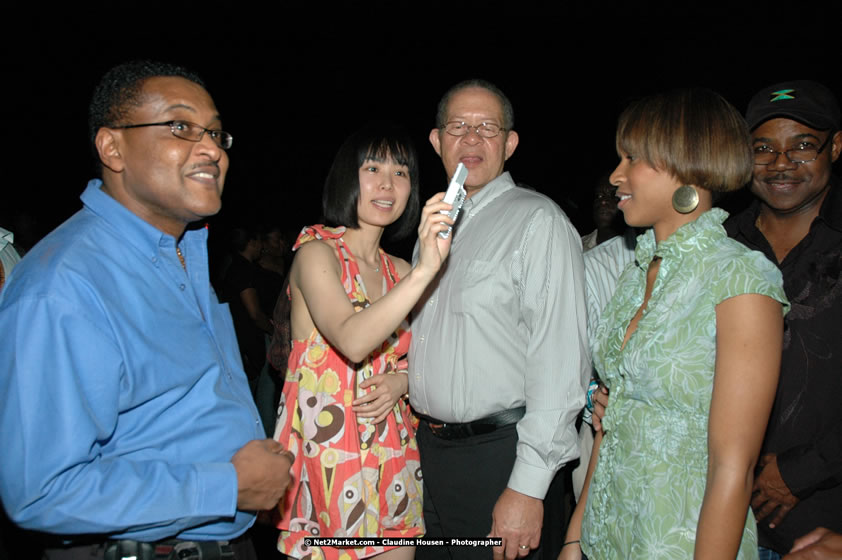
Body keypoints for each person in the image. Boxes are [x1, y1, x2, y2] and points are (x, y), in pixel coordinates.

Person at [0, 60, 293, 560]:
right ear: (112, 148)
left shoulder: (187, 254)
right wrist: (226, 487)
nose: (210, 149)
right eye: (180, 127)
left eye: (217, 133)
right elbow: (41, 490)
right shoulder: (65, 286)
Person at [561, 89, 788, 560]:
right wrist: (575, 538)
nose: (615, 175)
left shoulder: (741, 277)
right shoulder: (635, 273)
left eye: (633, 158)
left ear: (688, 166)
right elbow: (612, 422)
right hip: (607, 538)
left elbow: (733, 466)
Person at [409, 79, 590, 560]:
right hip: (426, 453)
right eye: (458, 127)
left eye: (487, 128)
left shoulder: (537, 220)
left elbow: (560, 360)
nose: (471, 139)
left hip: (498, 458)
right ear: (436, 142)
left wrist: (528, 487)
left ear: (509, 144)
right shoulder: (432, 227)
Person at [273, 122, 453, 560]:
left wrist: (404, 382)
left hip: (392, 448)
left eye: (401, 172)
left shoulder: (402, 270)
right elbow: (352, 341)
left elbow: (438, 356)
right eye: (372, 168)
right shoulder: (317, 252)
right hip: (329, 454)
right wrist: (429, 270)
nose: (387, 183)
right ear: (346, 177)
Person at [726, 80, 842, 559]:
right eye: (762, 148)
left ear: (834, 146)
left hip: (822, 529)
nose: (780, 163)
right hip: (719, 520)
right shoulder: (720, 244)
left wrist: (802, 470)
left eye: (801, 146)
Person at [580, 172, 628, 251]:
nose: (603, 201)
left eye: (614, 196)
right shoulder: (578, 245)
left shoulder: (641, 248)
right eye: (599, 195)